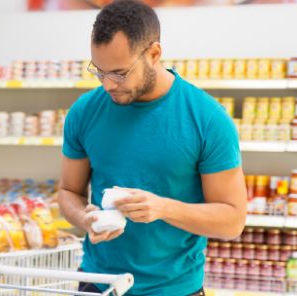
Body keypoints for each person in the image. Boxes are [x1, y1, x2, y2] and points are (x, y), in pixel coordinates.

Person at [57, 0, 247, 295]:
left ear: (154, 53)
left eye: (119, 73)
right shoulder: (84, 111)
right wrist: (84, 218)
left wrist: (162, 208)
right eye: (99, 71)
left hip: (174, 288)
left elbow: (232, 221)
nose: (107, 84)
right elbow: (69, 191)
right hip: (99, 283)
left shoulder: (208, 118)